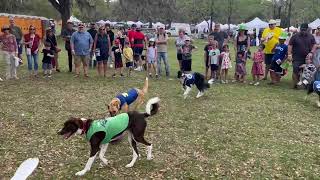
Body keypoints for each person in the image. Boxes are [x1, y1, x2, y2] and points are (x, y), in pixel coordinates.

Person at [288, 23, 316, 89]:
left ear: (307, 29)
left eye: (304, 30)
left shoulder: (311, 36)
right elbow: (290, 45)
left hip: (307, 58)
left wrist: (311, 52)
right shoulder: (295, 36)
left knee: (306, 72)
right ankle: (295, 84)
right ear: (300, 29)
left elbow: (314, 45)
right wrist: (289, 54)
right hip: (296, 57)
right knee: (295, 70)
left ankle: (304, 85)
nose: (303, 31)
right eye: (302, 29)